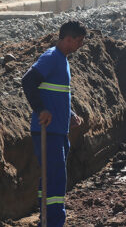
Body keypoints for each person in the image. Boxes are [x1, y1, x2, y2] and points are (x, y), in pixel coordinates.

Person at [21, 20, 87, 225]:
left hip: (58, 131)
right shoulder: (52, 57)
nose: (81, 45)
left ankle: (47, 219)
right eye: (79, 41)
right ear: (68, 39)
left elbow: (56, 95)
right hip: (47, 132)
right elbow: (28, 80)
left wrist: (69, 115)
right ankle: (53, 222)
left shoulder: (62, 60)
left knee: (51, 178)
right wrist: (41, 110)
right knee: (55, 179)